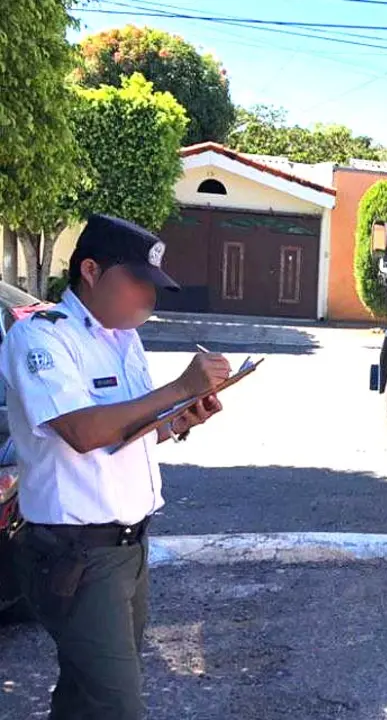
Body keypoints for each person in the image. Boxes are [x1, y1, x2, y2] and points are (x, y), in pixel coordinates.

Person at [1, 214, 231, 719]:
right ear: (91, 270)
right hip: (76, 554)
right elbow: (82, 432)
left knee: (86, 695)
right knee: (117, 706)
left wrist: (179, 419)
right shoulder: (42, 338)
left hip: (129, 550)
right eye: (137, 281)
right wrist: (180, 387)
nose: (149, 296)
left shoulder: (123, 340)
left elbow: (125, 433)